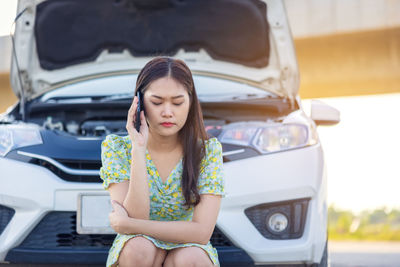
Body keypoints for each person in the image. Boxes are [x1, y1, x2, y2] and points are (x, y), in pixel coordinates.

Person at [99, 56, 225, 267]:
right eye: (156, 102)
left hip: (190, 245)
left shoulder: (207, 151)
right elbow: (136, 215)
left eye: (177, 102)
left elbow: (202, 232)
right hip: (137, 246)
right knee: (139, 248)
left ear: (190, 102)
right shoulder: (117, 148)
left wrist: (128, 224)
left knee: (190, 258)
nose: (167, 112)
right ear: (138, 102)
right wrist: (138, 148)